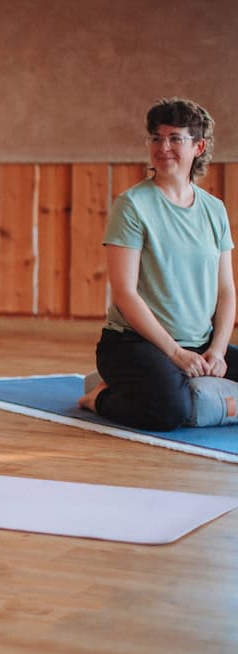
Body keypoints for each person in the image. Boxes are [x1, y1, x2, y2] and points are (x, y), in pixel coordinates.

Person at [78, 98, 237, 430]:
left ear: (198, 146)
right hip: (133, 343)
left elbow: (226, 291)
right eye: (156, 138)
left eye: (175, 138)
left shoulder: (214, 210)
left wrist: (218, 351)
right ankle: (99, 397)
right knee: (169, 412)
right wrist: (177, 354)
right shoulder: (132, 206)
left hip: (201, 343)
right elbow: (125, 294)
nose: (163, 147)